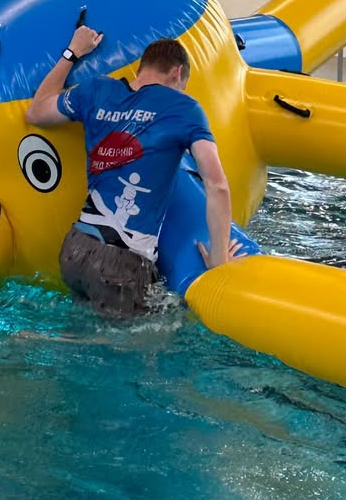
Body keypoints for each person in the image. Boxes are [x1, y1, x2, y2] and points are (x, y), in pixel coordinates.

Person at [25, 25, 234, 318]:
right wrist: (219, 260)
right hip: (122, 264)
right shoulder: (184, 109)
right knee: (154, 338)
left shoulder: (96, 90)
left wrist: (72, 53)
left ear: (142, 67)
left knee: (87, 331)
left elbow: (35, 112)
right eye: (183, 84)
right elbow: (216, 184)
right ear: (177, 73)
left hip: (76, 249)